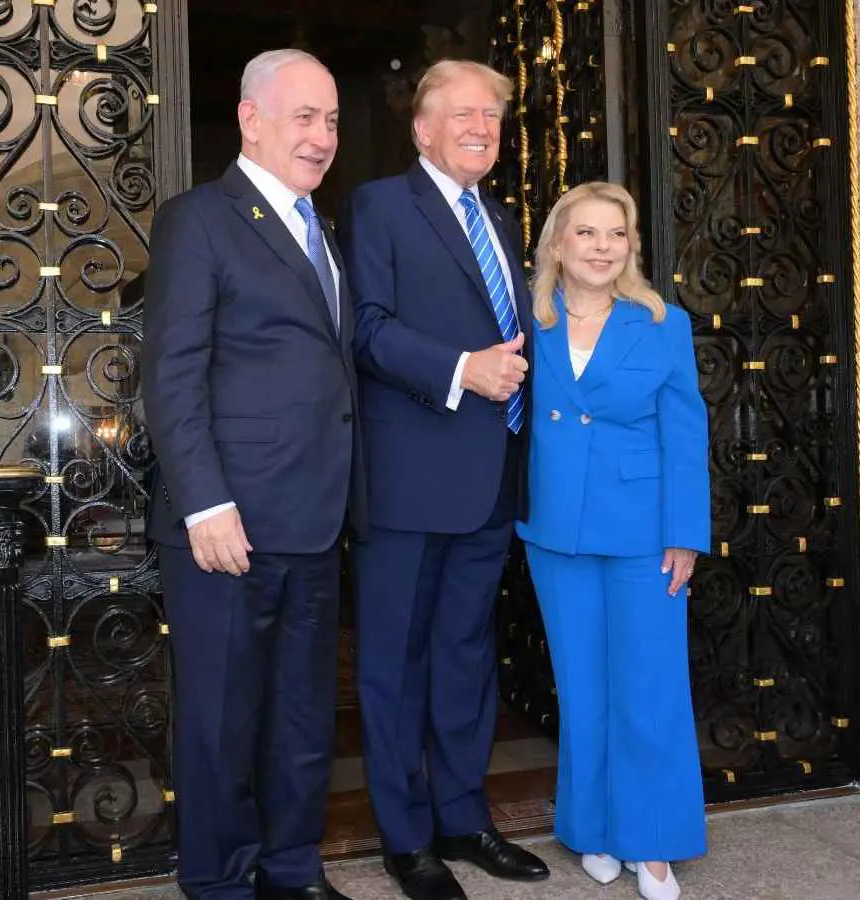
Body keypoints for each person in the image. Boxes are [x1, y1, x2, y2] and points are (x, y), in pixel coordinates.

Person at [140, 48, 366, 900]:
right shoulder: (199, 219)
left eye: (331, 120)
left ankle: (293, 870)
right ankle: (220, 883)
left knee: (302, 717)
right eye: (304, 116)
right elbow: (173, 373)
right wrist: (204, 503)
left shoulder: (323, 232)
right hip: (226, 525)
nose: (322, 137)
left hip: (314, 517)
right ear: (251, 118)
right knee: (221, 723)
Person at [343, 59, 549, 900]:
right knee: (394, 664)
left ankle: (464, 818)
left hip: (492, 478)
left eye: (492, 116)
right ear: (422, 129)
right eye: (462, 113)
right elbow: (366, 328)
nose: (480, 128)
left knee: (466, 659)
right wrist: (463, 368)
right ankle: (406, 840)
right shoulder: (380, 206)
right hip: (408, 480)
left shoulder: (501, 218)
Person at [515, 181, 710, 900]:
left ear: (631, 247)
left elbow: (685, 435)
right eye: (587, 232)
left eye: (617, 234)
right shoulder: (526, 319)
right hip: (554, 528)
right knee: (582, 687)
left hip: (644, 532)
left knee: (649, 687)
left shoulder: (661, 322)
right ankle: (592, 828)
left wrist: (684, 534)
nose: (603, 247)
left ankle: (652, 843)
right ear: (558, 244)